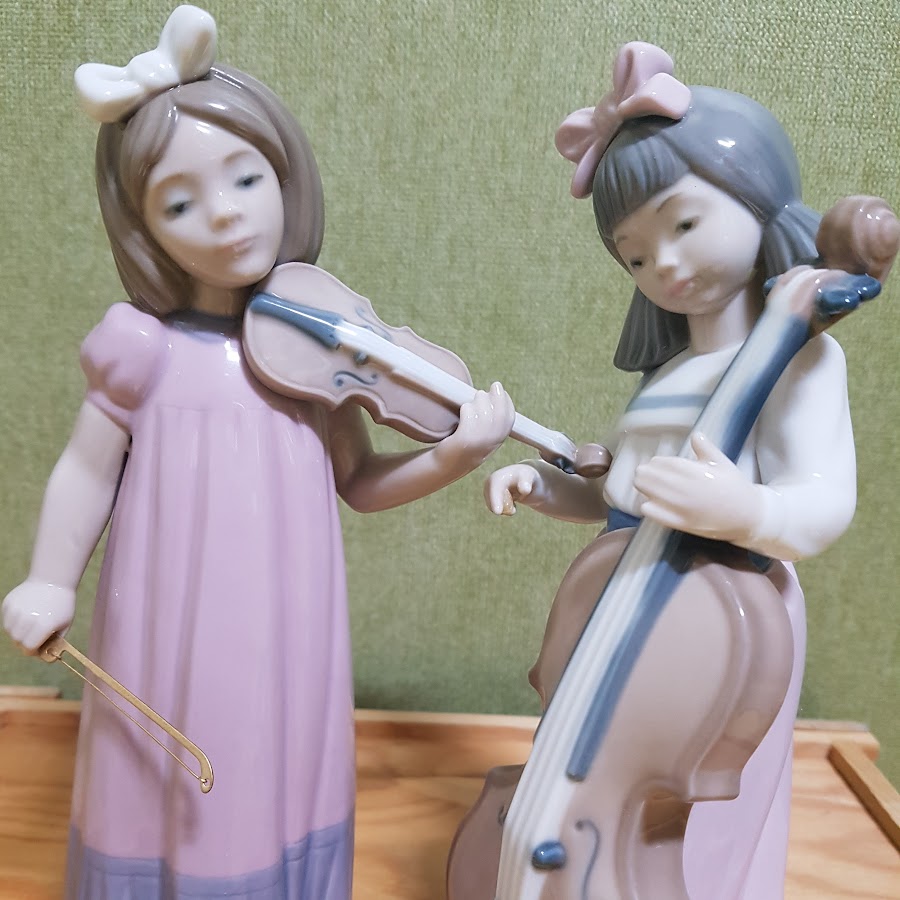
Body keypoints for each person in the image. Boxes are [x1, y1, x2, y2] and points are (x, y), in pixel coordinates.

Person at [1, 7, 514, 898]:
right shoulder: (141, 348)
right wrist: (50, 579)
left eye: (247, 178)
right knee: (176, 765)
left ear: (287, 177)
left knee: (275, 754)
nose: (227, 215)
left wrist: (456, 455)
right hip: (167, 616)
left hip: (289, 618)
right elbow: (87, 466)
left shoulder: (314, 346)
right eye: (180, 203)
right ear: (141, 227)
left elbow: (359, 481)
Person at [485, 42, 857, 898]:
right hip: (631, 592)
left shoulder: (800, 359)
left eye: (682, 225)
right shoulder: (667, 374)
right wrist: (549, 488)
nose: (664, 265)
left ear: (756, 197)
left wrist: (744, 510)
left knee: (703, 807)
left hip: (728, 617)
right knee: (602, 763)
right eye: (635, 254)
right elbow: (628, 492)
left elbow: (822, 501)